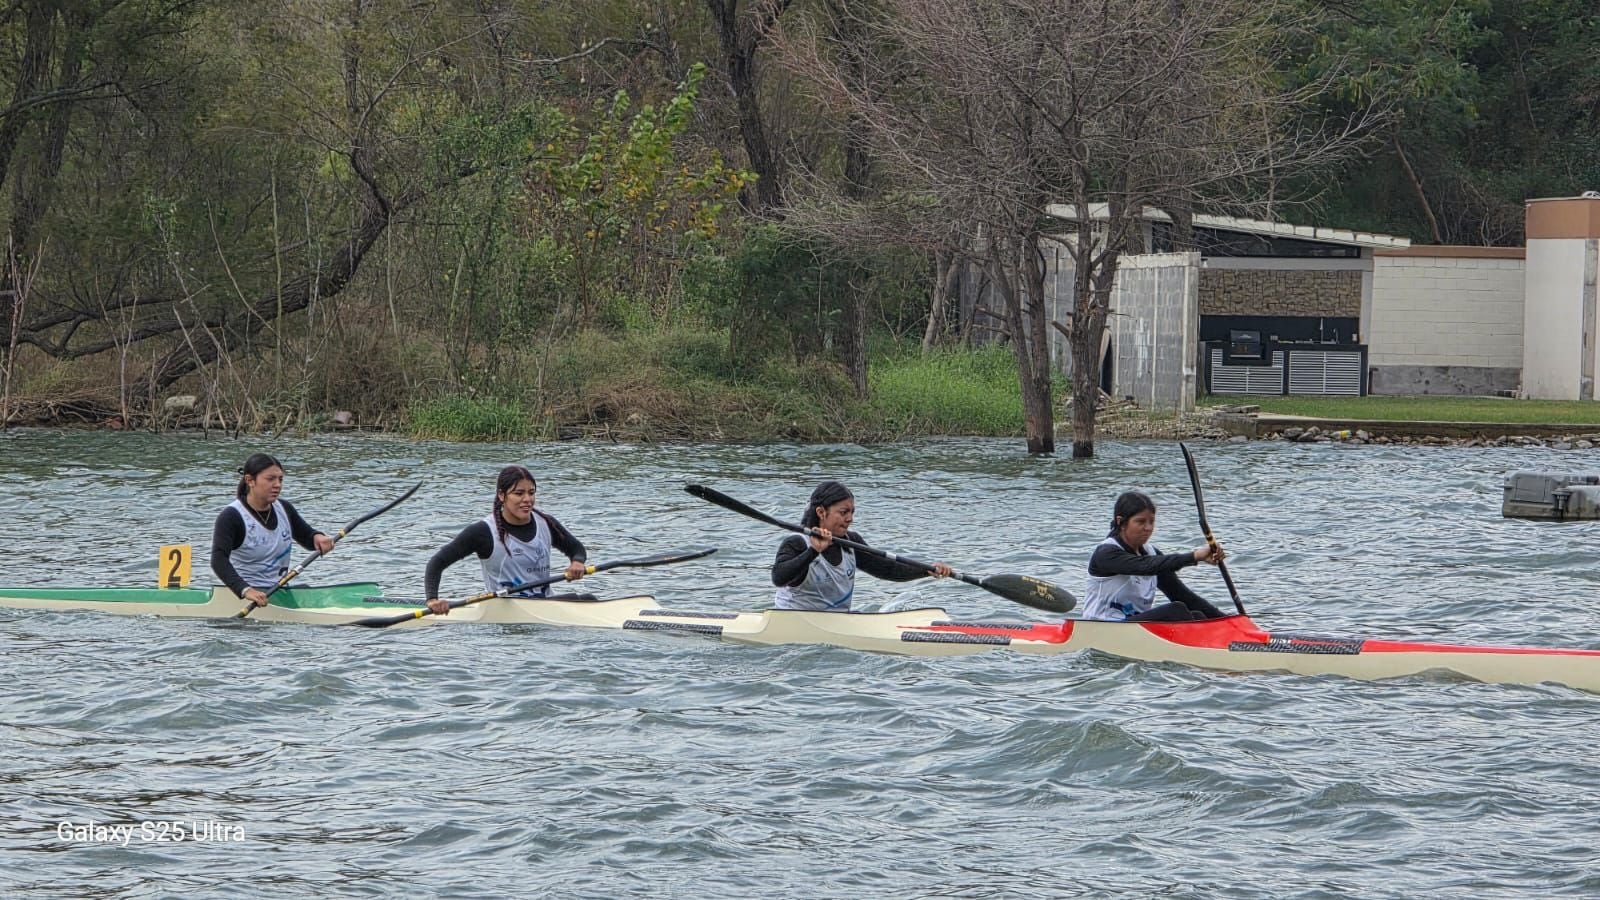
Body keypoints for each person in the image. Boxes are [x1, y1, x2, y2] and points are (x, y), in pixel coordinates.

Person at [425, 465, 587, 614]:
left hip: (544, 604)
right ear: (502, 495)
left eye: (531, 493)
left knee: (587, 599)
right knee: (584, 601)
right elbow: (437, 563)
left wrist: (577, 562)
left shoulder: (546, 523)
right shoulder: (483, 532)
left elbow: (576, 549)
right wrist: (433, 599)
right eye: (518, 493)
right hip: (505, 610)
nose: (527, 499)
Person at [771, 480, 952, 611]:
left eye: (851, 512)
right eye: (843, 512)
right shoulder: (797, 542)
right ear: (821, 512)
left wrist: (927, 570)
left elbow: (888, 570)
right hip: (793, 624)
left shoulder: (851, 542)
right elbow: (779, 578)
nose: (850, 519)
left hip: (837, 623)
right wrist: (813, 551)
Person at [1080, 490, 1228, 622]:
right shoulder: (1106, 554)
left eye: (1151, 521)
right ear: (1121, 522)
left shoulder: (1152, 553)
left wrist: (1228, 621)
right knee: (1176, 610)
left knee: (1198, 615)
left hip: (1134, 628)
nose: (1148, 528)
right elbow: (1144, 566)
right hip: (1102, 626)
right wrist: (1195, 556)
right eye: (1141, 522)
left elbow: (1182, 595)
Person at [211, 453, 335, 606]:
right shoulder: (231, 517)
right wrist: (245, 590)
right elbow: (218, 560)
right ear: (250, 480)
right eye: (270, 479)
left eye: (280, 479)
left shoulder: (284, 508)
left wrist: (318, 538)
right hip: (246, 595)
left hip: (277, 590)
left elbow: (307, 537)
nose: (277, 485)